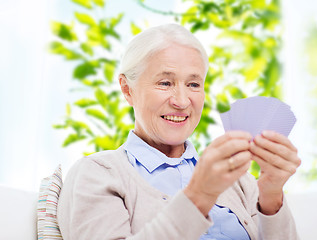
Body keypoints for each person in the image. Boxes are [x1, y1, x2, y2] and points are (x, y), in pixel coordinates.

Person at [57, 23, 301, 240]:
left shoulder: (240, 181)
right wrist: (199, 197)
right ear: (127, 89)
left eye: (194, 84)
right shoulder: (99, 173)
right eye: (165, 83)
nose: (182, 101)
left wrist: (270, 195)